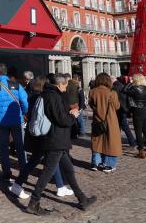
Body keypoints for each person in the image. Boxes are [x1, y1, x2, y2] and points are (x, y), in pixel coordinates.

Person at [25, 75, 96, 216]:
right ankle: (33, 202)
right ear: (60, 84)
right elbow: (62, 120)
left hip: (56, 139)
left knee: (68, 169)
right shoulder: (53, 96)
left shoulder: (48, 95)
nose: (66, 88)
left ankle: (82, 199)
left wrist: (67, 113)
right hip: (55, 140)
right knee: (47, 172)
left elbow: (57, 115)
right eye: (65, 85)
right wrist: (73, 115)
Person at [10, 76, 74, 199]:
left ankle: (18, 185)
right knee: (49, 162)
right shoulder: (43, 98)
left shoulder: (34, 97)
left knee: (38, 161)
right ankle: (58, 188)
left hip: (39, 135)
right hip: (44, 136)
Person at [0, 63, 28, 180]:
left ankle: (7, 172)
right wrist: (22, 112)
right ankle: (24, 170)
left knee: (4, 147)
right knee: (20, 146)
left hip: (1, 121)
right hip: (16, 120)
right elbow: (25, 102)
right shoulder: (16, 85)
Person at [89, 73, 122, 172]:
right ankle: (109, 165)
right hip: (110, 120)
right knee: (111, 142)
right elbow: (117, 106)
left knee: (97, 142)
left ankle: (96, 163)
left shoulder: (92, 92)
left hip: (97, 120)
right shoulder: (112, 93)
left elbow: (91, 105)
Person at [123, 74, 146, 159]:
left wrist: (129, 83)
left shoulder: (134, 89)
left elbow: (124, 90)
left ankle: (141, 151)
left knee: (138, 132)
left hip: (137, 111)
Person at [113, 76, 136, 147]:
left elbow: (115, 100)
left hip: (120, 109)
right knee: (119, 126)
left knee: (125, 127)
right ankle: (116, 141)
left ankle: (132, 143)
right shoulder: (121, 85)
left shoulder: (114, 88)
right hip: (123, 108)